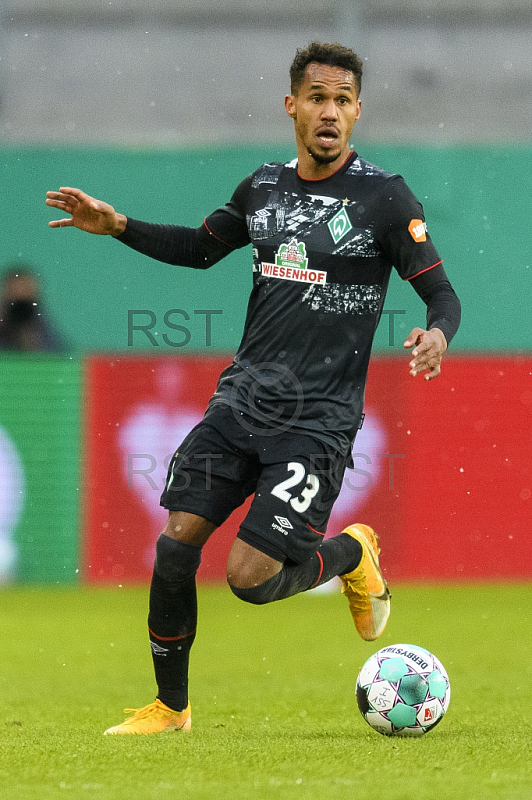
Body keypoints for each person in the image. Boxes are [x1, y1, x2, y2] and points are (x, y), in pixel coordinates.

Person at [45, 41, 461, 736]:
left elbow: (440, 292)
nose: (330, 113)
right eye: (318, 98)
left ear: (358, 111)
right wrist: (116, 226)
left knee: (250, 578)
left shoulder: (385, 199)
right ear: (292, 105)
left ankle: (351, 552)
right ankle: (170, 709)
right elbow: (199, 248)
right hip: (240, 405)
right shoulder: (263, 189)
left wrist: (438, 333)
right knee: (176, 544)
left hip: (317, 421)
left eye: (343, 101)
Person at [0, 267, 65, 352]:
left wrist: (29, 337)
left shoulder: (41, 326)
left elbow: (54, 352)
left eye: (25, 289)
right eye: (15, 290)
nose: (20, 296)